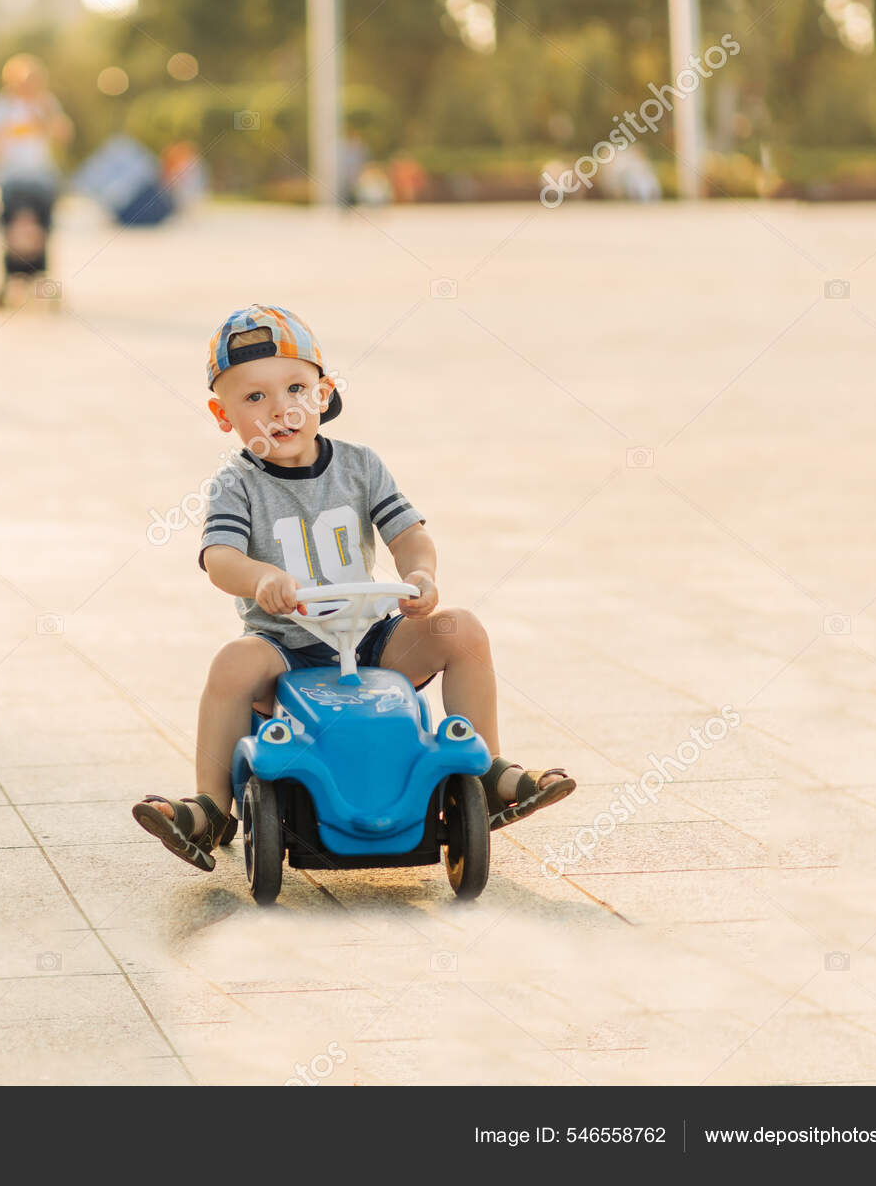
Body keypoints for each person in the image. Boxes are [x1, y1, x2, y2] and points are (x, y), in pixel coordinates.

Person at [132, 305, 576, 871]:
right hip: (285, 651)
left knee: (461, 629)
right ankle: (213, 807)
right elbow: (219, 558)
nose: (280, 409)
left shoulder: (361, 466)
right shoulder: (235, 483)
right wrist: (261, 577)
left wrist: (420, 576)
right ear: (223, 415)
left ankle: (486, 771)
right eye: (254, 398)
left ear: (324, 393)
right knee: (231, 665)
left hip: (370, 640)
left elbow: (410, 535)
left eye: (295, 388)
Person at [0, 54, 72, 308]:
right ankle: (8, 279)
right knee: (11, 227)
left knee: (42, 227)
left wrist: (45, 115)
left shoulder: (46, 104)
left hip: (40, 177)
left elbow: (64, 134)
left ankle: (42, 277)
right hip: (8, 177)